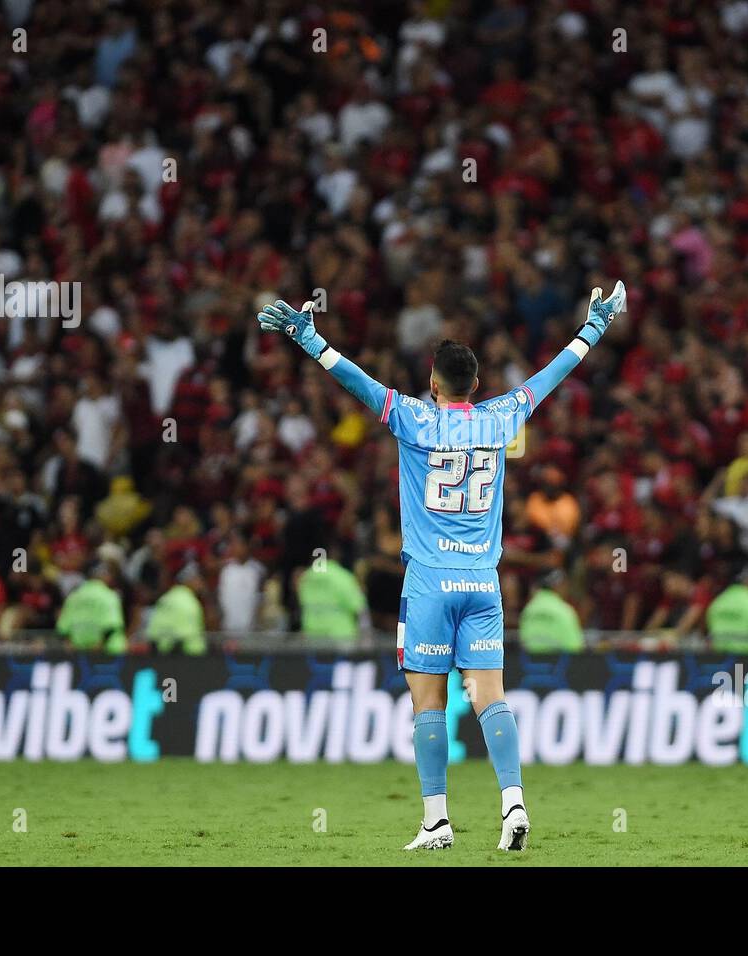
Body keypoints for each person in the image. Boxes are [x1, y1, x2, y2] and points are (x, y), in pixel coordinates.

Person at [256, 281, 626, 852]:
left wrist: (310, 340)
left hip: (428, 583)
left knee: (429, 703)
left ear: (433, 384)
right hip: (483, 583)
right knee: (491, 698)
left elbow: (358, 384)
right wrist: (594, 328)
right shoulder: (502, 418)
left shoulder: (411, 417)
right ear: (477, 386)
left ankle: (436, 822)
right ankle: (513, 804)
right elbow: (551, 377)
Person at [56, 562, 127, 654]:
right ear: (103, 575)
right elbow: (112, 626)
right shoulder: (109, 596)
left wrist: (70, 646)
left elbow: (62, 628)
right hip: (108, 654)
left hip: (79, 653)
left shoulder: (73, 596)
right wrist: (98, 646)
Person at [295, 554, 367, 641]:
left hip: (312, 636)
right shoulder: (342, 576)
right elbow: (359, 607)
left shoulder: (306, 577)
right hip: (341, 636)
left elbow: (301, 601)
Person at [146, 562, 207, 655]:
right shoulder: (188, 601)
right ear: (188, 580)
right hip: (187, 656)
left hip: (160, 651)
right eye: (197, 578)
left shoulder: (169, 596)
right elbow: (186, 634)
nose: (201, 582)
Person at [519, 570, 584, 653]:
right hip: (560, 664)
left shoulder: (528, 610)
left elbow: (523, 643)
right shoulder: (565, 611)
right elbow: (575, 647)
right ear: (559, 586)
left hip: (529, 665)